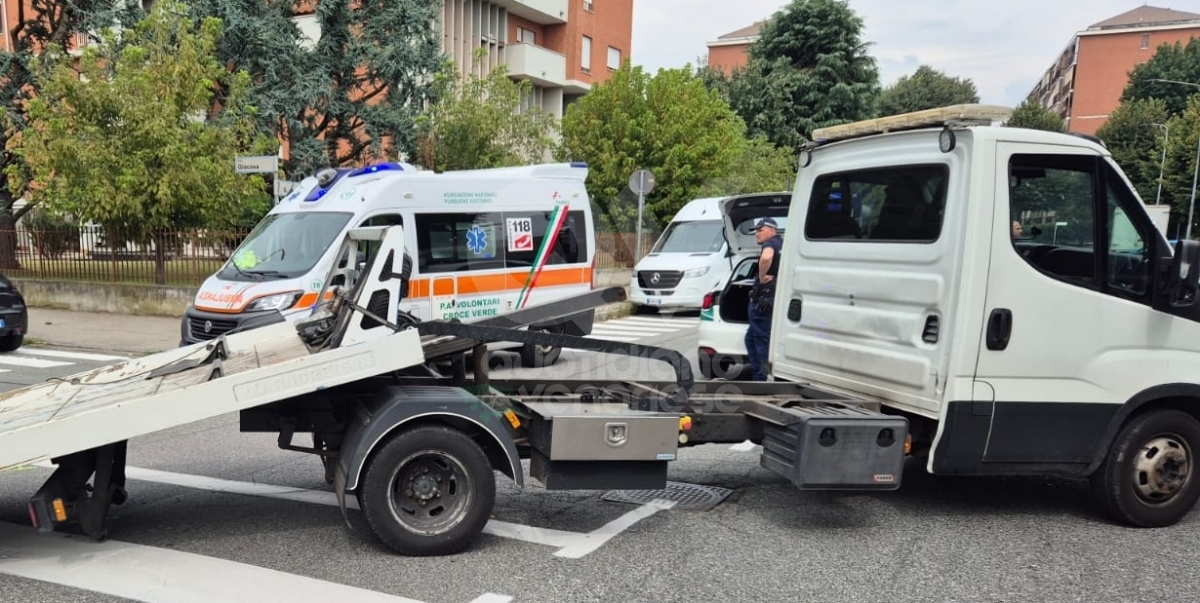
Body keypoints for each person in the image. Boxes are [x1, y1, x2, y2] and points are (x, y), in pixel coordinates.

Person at [745, 217, 783, 381]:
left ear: (772, 230)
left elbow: (766, 258)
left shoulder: (770, 244)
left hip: (764, 302)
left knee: (760, 340)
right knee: (751, 338)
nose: (757, 234)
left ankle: (761, 377)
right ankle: (759, 373)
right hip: (769, 299)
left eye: (760, 230)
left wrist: (760, 278)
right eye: (756, 231)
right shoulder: (781, 243)